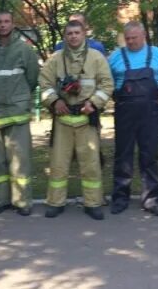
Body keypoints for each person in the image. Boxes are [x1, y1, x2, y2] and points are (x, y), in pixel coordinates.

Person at [40, 20, 114, 220]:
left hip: (86, 118)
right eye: (69, 33)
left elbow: (107, 84)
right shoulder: (55, 59)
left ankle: (93, 203)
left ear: (84, 34)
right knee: (58, 164)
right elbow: (44, 84)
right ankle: (56, 202)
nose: (73, 36)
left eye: (77, 33)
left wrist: (94, 103)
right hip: (62, 119)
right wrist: (54, 102)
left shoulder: (96, 58)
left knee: (91, 164)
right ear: (65, 36)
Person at [0, 11, 39, 216]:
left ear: (13, 24)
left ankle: (22, 202)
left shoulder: (24, 50)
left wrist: (19, 97)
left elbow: (32, 79)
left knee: (20, 162)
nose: (3, 25)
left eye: (7, 21)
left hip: (17, 113)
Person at [109, 21, 158, 216]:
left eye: (134, 38)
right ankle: (120, 198)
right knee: (123, 157)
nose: (130, 42)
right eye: (127, 38)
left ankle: (151, 199)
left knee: (149, 156)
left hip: (149, 113)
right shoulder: (115, 57)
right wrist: (119, 99)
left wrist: (155, 101)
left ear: (143, 35)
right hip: (124, 113)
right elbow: (106, 82)